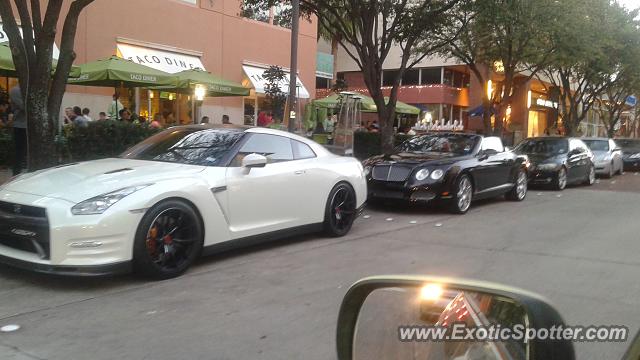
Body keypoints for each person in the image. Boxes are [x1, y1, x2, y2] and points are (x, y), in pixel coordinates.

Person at [9, 85, 26, 175]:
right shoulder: (15, 90)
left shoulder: (33, 89)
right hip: (20, 126)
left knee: (23, 151)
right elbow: (25, 107)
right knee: (19, 151)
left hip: (28, 126)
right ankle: (16, 174)